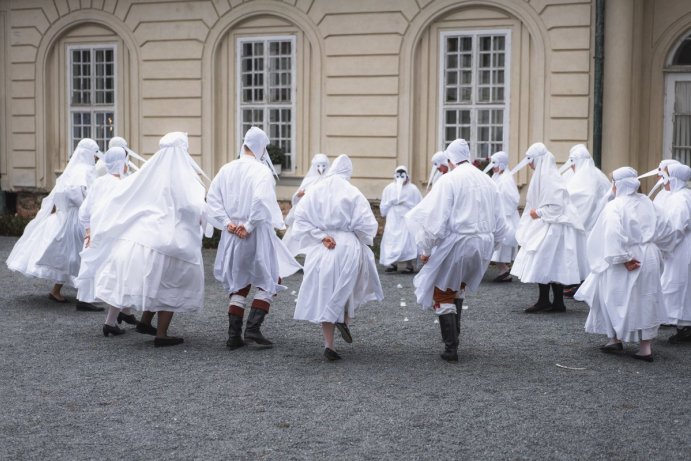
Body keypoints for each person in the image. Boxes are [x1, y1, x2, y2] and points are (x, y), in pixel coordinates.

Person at [76, 132, 209, 347]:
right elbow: (194, 207)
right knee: (171, 285)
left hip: (148, 238)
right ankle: (162, 334)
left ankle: (146, 321)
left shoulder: (149, 174)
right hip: (174, 241)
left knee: (157, 280)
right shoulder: (185, 178)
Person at [406, 139, 508, 362]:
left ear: (450, 160)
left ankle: (451, 346)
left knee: (442, 290)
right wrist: (494, 246)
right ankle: (455, 337)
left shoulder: (449, 180)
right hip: (483, 243)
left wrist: (426, 247)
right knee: (458, 286)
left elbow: (436, 218)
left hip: (458, 241)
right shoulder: (488, 181)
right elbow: (501, 221)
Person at [206, 127, 301, 350]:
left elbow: (212, 198)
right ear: (260, 147)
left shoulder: (226, 169)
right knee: (271, 278)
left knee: (239, 282)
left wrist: (228, 223)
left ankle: (234, 335)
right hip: (254, 232)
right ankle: (252, 330)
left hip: (232, 233)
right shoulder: (261, 171)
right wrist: (247, 226)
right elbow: (260, 200)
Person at [292, 155, 384, 361]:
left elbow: (300, 217)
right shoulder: (353, 192)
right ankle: (344, 319)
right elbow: (367, 225)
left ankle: (329, 345)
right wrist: (360, 239)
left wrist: (320, 236)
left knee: (326, 291)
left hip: (324, 245)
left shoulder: (316, 190)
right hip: (347, 244)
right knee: (348, 287)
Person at [574, 167, 668, 361]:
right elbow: (665, 225)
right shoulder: (647, 202)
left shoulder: (615, 206)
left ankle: (615, 338)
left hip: (626, 258)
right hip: (649, 255)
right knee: (646, 298)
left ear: (617, 185)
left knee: (615, 298)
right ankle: (643, 346)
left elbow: (612, 233)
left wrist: (623, 258)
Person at [6, 138, 102, 311]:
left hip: (73, 216)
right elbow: (75, 194)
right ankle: (85, 297)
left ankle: (58, 291)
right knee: (83, 253)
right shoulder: (82, 171)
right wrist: (90, 207)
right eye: (95, 153)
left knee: (71, 255)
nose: (96, 158)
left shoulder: (76, 170)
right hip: (78, 217)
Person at [510, 142, 588, 313]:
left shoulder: (548, 178)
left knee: (546, 260)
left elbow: (556, 206)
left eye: (530, 160)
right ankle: (552, 301)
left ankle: (549, 301)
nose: (529, 164)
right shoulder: (544, 175)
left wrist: (537, 213)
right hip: (551, 225)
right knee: (551, 263)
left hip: (554, 226)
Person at [77, 146, 136, 337]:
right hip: (117, 238)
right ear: (121, 163)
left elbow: (84, 211)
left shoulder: (99, 182)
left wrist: (88, 232)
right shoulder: (123, 185)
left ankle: (126, 313)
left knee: (120, 277)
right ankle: (110, 322)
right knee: (120, 277)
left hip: (99, 236)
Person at [560, 144, 611, 297]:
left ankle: (582, 284)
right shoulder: (595, 174)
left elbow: (583, 200)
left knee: (585, 255)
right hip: (591, 224)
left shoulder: (586, 177)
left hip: (588, 224)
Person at [654, 163, 691, 343]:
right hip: (680, 248)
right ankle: (682, 325)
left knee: (676, 285)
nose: (663, 182)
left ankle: (683, 326)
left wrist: (662, 245)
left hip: (680, 249)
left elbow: (676, 228)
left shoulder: (680, 199)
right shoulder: (682, 195)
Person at [282, 153, 330, 255]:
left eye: (323, 165)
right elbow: (296, 198)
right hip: (308, 214)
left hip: (323, 215)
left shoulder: (329, 181)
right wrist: (299, 195)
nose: (321, 168)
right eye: (318, 165)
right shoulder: (309, 180)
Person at [483, 151, 519, 282]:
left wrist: (501, 208)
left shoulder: (507, 179)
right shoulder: (497, 176)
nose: (492, 167)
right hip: (496, 215)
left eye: (495, 163)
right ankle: (503, 269)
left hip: (504, 216)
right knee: (495, 246)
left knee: (499, 245)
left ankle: (504, 269)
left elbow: (513, 199)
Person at [379, 166, 422, 273]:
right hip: (393, 218)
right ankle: (392, 263)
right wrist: (390, 204)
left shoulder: (413, 189)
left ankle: (409, 265)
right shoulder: (389, 188)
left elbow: (419, 204)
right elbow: (384, 204)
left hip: (406, 218)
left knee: (408, 240)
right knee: (391, 239)